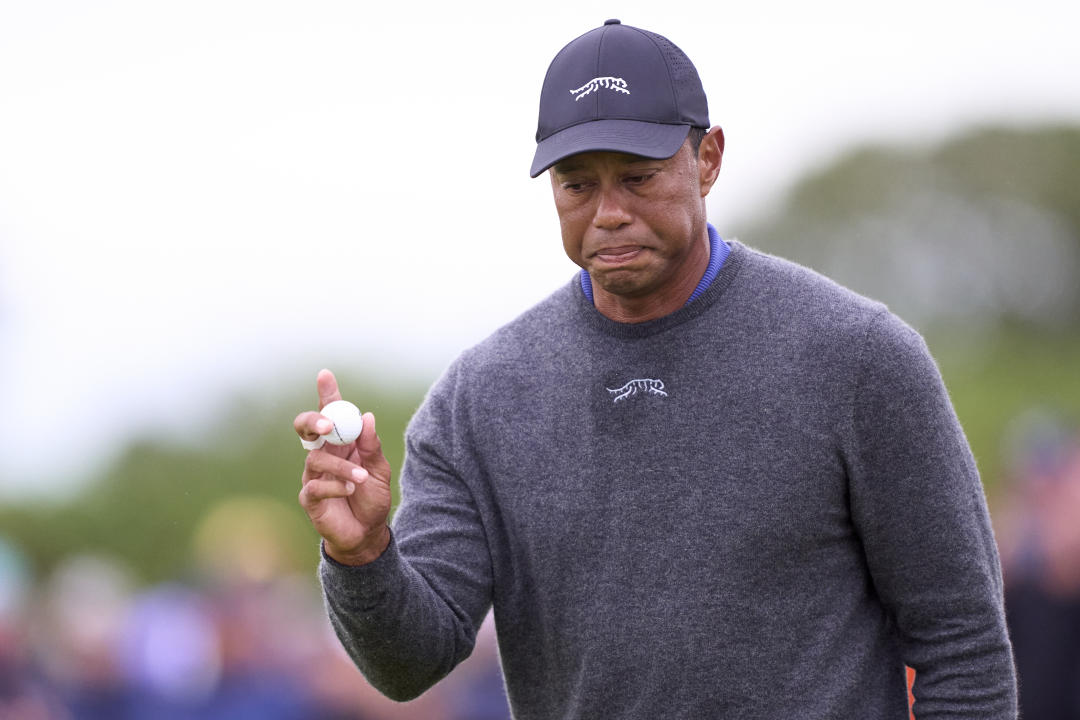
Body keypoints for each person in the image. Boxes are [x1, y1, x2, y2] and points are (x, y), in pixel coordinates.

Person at [294, 20, 1017, 718]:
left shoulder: (858, 357)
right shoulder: (479, 400)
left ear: (708, 159)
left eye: (639, 177)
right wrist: (362, 555)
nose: (609, 212)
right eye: (577, 186)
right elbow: (409, 664)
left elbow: (962, 640)